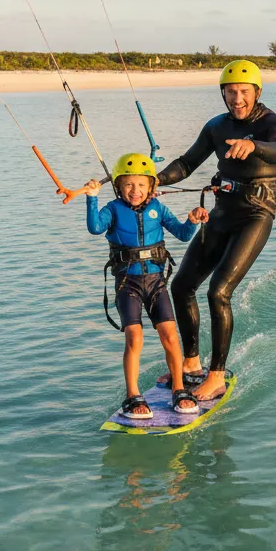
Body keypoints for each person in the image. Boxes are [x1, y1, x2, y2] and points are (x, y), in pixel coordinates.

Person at [156, 60, 276, 402]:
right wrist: (152, 179)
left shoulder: (272, 124)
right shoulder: (216, 126)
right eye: (231, 92)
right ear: (223, 93)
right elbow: (186, 164)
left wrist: (253, 146)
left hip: (256, 215)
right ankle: (190, 363)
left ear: (257, 92)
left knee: (218, 291)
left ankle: (215, 376)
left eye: (244, 91)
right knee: (182, 285)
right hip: (222, 212)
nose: (237, 98)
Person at [75, 153, 209, 419]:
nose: (134, 191)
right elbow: (94, 228)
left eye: (140, 185)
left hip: (156, 282)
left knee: (170, 336)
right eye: (128, 185)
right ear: (118, 186)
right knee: (134, 338)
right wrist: (91, 197)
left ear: (151, 186)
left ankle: (179, 389)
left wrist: (193, 220)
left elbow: (182, 234)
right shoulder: (112, 209)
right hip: (128, 284)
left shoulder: (158, 208)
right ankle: (133, 395)